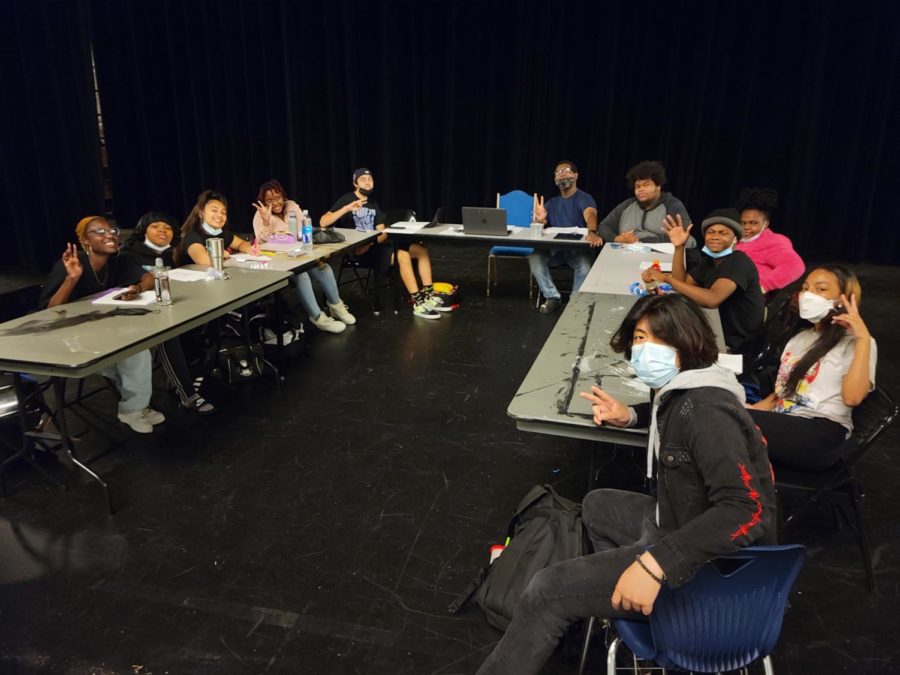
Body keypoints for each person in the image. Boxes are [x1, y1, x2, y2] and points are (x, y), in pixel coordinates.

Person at [477, 294, 775, 674]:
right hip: (676, 521)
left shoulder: (705, 412)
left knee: (546, 591)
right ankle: (621, 598)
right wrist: (630, 416)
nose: (643, 348)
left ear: (686, 341)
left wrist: (654, 565)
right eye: (638, 337)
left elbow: (746, 510)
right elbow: (669, 411)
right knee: (598, 504)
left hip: (709, 568)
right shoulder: (687, 389)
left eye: (657, 338)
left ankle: (639, 598)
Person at [38, 216, 166, 434]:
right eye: (99, 232)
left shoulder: (119, 260)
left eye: (112, 231)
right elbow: (49, 311)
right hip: (67, 336)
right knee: (134, 352)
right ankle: (132, 408)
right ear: (85, 241)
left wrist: (136, 288)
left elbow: (147, 278)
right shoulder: (71, 263)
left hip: (102, 328)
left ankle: (136, 403)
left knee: (138, 345)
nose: (109, 235)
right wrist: (72, 278)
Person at [748, 265, 876, 471]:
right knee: (717, 410)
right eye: (806, 288)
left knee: (724, 420)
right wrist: (750, 409)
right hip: (786, 423)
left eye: (821, 289)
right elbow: (782, 394)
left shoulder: (858, 342)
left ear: (844, 298)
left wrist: (862, 339)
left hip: (821, 434)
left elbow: (852, 398)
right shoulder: (800, 338)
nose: (808, 294)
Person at [120, 212, 216, 414]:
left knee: (207, 318)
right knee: (169, 334)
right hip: (134, 317)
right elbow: (136, 284)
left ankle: (196, 371)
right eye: (156, 226)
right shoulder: (128, 255)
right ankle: (187, 394)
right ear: (143, 230)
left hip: (165, 308)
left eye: (168, 227)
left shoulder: (166, 254)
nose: (162, 231)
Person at [321, 168, 448, 320]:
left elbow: (382, 232)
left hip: (374, 246)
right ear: (355, 183)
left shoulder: (373, 203)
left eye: (370, 179)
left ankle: (428, 295)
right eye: (363, 180)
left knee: (421, 250)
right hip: (358, 252)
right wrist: (347, 208)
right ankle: (417, 303)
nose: (368, 182)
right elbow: (323, 222)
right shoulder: (347, 199)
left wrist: (371, 243)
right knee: (402, 255)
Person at [643, 209, 764, 357]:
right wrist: (679, 247)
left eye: (723, 233)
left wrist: (666, 278)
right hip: (714, 327)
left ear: (735, 239)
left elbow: (711, 299)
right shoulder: (710, 261)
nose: (714, 237)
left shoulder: (738, 262)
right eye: (710, 232)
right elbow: (681, 284)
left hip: (733, 344)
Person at [252, 179, 356, 334]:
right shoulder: (260, 215)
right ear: (263, 202)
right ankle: (318, 317)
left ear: (283, 196)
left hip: (300, 254)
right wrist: (267, 223)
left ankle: (336, 307)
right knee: (302, 276)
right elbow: (261, 245)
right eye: (269, 200)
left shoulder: (292, 206)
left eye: (277, 197)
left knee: (324, 269)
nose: (275, 203)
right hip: (279, 263)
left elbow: (304, 230)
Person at [529, 160, 602, 314]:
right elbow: (541, 224)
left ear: (575, 176)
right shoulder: (552, 202)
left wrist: (592, 231)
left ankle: (575, 302)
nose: (561, 174)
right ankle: (552, 297)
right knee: (535, 257)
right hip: (555, 251)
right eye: (557, 172)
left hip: (575, 252)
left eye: (566, 170)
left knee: (584, 265)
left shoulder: (584, 198)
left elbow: (590, 214)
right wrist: (539, 221)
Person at [598, 160, 696, 247]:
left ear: (658, 186)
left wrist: (639, 241)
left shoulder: (672, 204)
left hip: (663, 254)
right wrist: (616, 239)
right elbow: (604, 226)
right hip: (628, 251)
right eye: (637, 186)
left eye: (646, 185)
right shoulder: (627, 205)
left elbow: (681, 234)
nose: (641, 190)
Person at [734, 187, 805, 294]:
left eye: (753, 223)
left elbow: (794, 266)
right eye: (743, 222)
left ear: (765, 224)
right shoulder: (733, 238)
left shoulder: (773, 241)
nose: (746, 227)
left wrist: (762, 285)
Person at [175, 189, 253, 266]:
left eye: (223, 212)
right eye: (214, 210)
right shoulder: (193, 236)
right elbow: (205, 262)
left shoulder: (222, 233)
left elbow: (241, 243)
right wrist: (219, 254)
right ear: (201, 214)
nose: (220, 215)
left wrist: (250, 249)